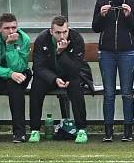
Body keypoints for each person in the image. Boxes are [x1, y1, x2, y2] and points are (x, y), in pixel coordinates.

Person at [92, 0, 134, 142]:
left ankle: (128, 130)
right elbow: (95, 27)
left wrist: (128, 15)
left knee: (127, 92)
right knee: (109, 92)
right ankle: (108, 131)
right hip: (106, 53)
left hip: (127, 52)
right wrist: (102, 15)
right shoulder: (101, 1)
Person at [29, 16, 93, 144]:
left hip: (71, 75)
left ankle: (81, 129)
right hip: (50, 76)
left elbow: (76, 68)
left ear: (68, 29)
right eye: (58, 32)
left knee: (76, 86)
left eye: (65, 32)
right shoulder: (42, 39)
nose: (62, 36)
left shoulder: (76, 39)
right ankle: (34, 130)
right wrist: (54, 79)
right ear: (51, 31)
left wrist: (61, 53)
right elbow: (38, 67)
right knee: (36, 86)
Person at [0, 13, 32, 143]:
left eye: (14, 27)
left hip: (19, 72)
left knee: (16, 85)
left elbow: (19, 67)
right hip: (0, 74)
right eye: (7, 28)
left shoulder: (24, 39)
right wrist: (9, 73)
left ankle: (19, 133)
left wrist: (9, 46)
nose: (11, 31)